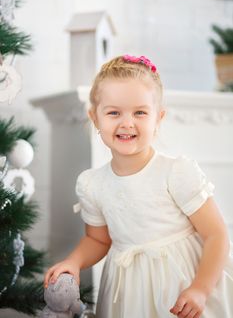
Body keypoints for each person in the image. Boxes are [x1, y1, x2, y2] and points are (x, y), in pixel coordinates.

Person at [44, 55, 233, 318]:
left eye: (140, 112)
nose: (127, 123)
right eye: (113, 113)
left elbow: (217, 234)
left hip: (182, 285)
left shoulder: (175, 172)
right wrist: (73, 262)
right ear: (95, 118)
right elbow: (98, 239)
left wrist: (200, 289)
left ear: (158, 118)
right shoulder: (93, 184)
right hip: (129, 292)